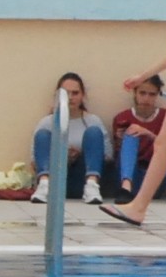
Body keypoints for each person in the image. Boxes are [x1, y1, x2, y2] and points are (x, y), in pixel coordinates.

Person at [109, 75, 166, 208]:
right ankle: (125, 188)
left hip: (155, 175)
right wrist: (124, 137)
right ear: (135, 93)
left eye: (152, 94)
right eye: (142, 93)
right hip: (132, 174)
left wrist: (148, 133)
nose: (146, 98)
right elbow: (119, 154)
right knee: (131, 134)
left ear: (157, 95)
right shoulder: (122, 117)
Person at [31, 71, 112, 205]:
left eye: (75, 93)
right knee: (42, 134)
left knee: (93, 132)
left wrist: (82, 154)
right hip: (56, 179)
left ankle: (92, 187)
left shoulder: (92, 120)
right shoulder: (48, 122)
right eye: (65, 93)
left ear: (82, 95)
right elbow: (35, 161)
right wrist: (61, 155)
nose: (70, 98)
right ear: (57, 96)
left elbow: (108, 156)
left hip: (82, 178)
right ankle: (44, 186)